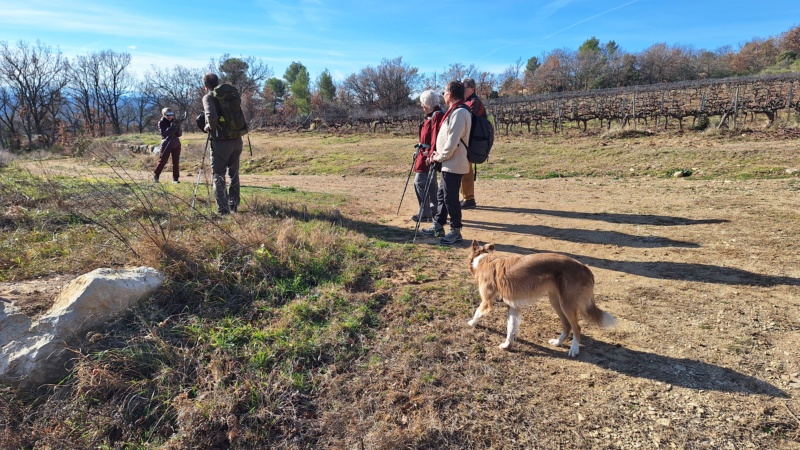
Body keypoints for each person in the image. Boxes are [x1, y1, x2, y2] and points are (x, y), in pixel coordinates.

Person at [422, 80, 471, 245]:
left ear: (450, 94)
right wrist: (439, 155)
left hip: (454, 163)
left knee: (450, 199)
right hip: (448, 162)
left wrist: (438, 156)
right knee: (442, 196)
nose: (443, 95)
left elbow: (452, 142)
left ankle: (456, 231)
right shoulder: (454, 111)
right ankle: (438, 226)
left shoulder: (460, 113)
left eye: (444, 92)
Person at [202, 72, 244, 214]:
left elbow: (212, 117)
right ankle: (234, 205)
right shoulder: (229, 95)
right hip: (237, 140)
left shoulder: (208, 97)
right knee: (234, 173)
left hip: (221, 142)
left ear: (205, 85)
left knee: (218, 175)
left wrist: (208, 127)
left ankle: (223, 210)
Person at [411, 90, 445, 222]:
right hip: (425, 154)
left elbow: (436, 138)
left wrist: (429, 152)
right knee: (430, 184)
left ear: (427, 103)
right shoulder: (432, 115)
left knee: (420, 182)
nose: (421, 106)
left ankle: (426, 213)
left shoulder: (436, 116)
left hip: (428, 157)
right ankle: (435, 212)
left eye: (422, 103)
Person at [459, 77, 487, 209]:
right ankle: (466, 197)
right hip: (467, 140)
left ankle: (469, 198)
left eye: (465, 88)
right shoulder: (467, 102)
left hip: (471, 141)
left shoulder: (474, 102)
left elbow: (469, 119)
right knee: (464, 168)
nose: (463, 90)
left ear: (472, 88)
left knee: (466, 170)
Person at [153, 107, 182, 183]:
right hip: (166, 143)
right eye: (168, 114)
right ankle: (156, 175)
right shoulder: (161, 122)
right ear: (164, 115)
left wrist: (178, 127)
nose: (170, 116)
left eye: (171, 114)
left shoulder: (175, 121)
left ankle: (175, 179)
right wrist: (171, 128)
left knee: (176, 162)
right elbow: (164, 134)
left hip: (176, 144)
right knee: (163, 160)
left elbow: (179, 134)